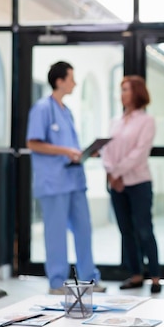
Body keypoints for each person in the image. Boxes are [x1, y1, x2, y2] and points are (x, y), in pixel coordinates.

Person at [26, 61, 104, 295]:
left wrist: (83, 153)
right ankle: (57, 283)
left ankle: (89, 279)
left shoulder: (66, 111)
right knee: (56, 235)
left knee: (84, 230)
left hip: (74, 181)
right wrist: (66, 152)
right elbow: (33, 143)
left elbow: (69, 146)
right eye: (71, 78)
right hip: (53, 183)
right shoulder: (42, 109)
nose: (75, 83)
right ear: (59, 81)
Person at [100, 75, 162, 294]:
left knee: (144, 230)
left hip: (138, 183)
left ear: (137, 93)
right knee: (126, 230)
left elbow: (139, 153)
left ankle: (154, 276)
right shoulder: (115, 121)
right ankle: (136, 274)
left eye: (126, 89)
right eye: (121, 89)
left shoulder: (146, 121)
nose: (122, 93)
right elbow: (105, 150)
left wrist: (116, 173)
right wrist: (110, 172)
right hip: (116, 184)